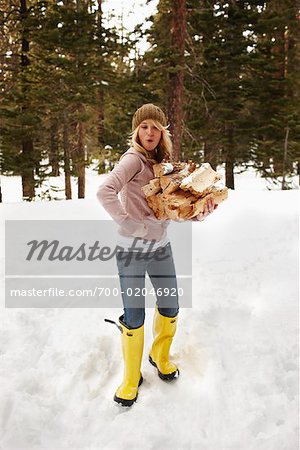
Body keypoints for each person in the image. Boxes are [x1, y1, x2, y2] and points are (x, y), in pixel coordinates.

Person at [97, 103, 217, 407]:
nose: (149, 132)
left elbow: (174, 208)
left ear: (163, 131)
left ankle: (158, 355)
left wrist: (200, 212)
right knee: (135, 316)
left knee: (170, 306)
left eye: (155, 126)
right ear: (136, 130)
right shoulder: (133, 161)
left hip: (160, 249)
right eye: (144, 126)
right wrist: (129, 224)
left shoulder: (163, 163)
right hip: (132, 252)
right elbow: (105, 191)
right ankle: (130, 377)